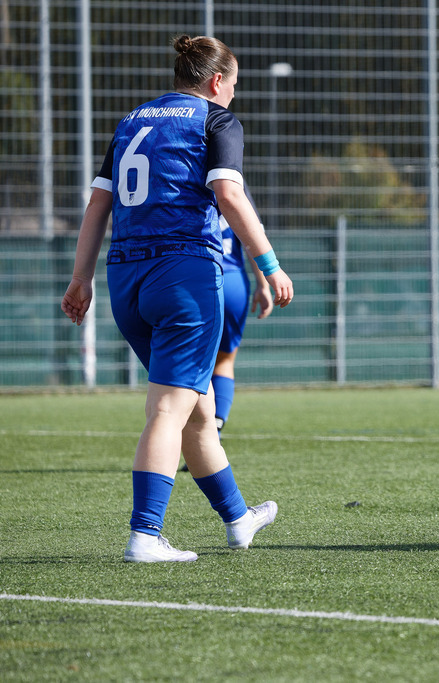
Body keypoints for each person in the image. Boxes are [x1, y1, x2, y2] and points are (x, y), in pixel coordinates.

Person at [60, 35, 294, 562]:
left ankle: (238, 519)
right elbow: (229, 194)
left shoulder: (131, 121)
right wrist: (270, 265)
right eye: (233, 85)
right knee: (169, 408)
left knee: (198, 411)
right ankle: (145, 534)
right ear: (217, 81)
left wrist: (81, 278)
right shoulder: (217, 120)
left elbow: (98, 204)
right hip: (184, 274)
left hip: (125, 277)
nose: (233, 95)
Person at [180, 203, 274, 474]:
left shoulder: (181, 183)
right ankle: (213, 436)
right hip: (233, 282)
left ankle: (178, 443)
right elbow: (253, 233)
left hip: (193, 280)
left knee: (186, 367)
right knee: (223, 362)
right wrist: (263, 284)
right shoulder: (234, 186)